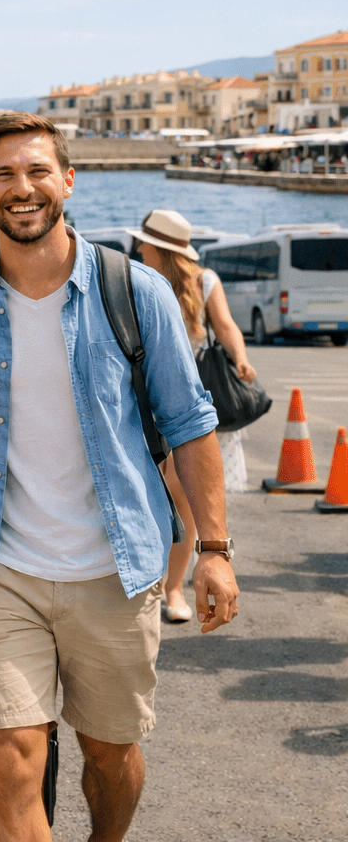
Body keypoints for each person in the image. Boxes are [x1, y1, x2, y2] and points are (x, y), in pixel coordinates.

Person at [0, 112, 239, 842]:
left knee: (110, 757)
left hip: (115, 570)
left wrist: (214, 549)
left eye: (37, 172)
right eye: (3, 175)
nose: (21, 188)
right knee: (11, 760)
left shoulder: (136, 292)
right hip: (1, 572)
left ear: (68, 181)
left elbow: (190, 422)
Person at [132, 209, 256, 623]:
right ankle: (146, 580)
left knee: (181, 492)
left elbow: (226, 326)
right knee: (142, 489)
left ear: (161, 249)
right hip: (142, 398)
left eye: (145, 242)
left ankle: (172, 587)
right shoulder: (132, 280)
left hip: (188, 399)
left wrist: (241, 358)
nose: (139, 247)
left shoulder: (204, 281)